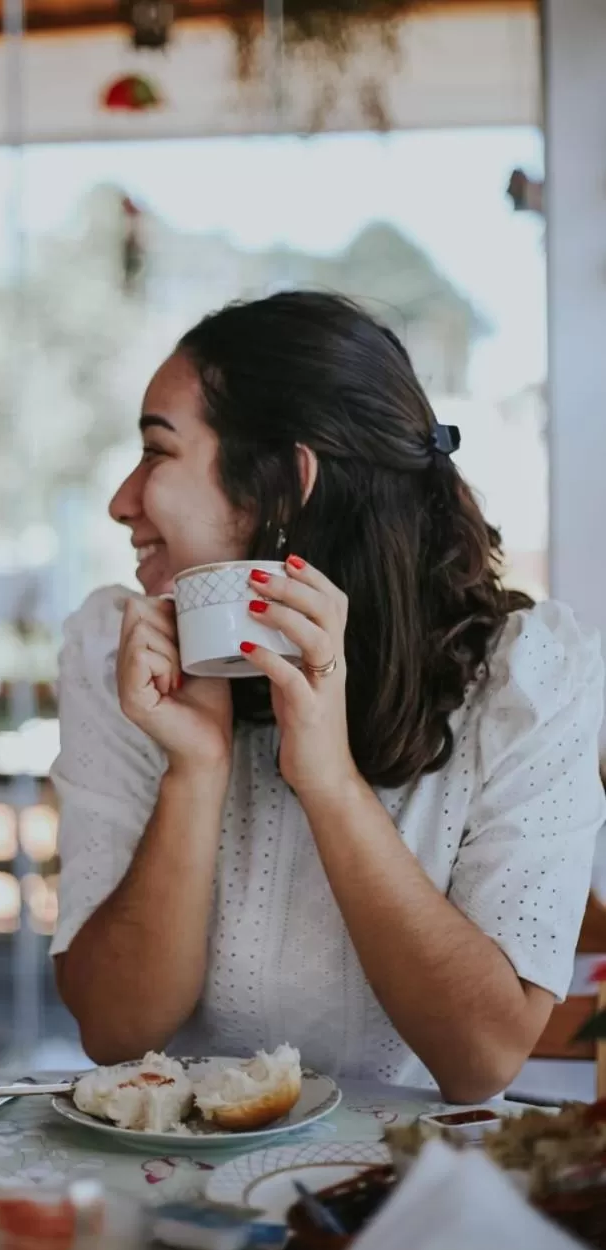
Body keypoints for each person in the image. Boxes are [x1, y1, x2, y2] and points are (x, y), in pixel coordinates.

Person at [50, 292, 606, 1101]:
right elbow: (113, 1031)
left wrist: (331, 783)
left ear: (286, 482)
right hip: (186, 1192)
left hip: (402, 1192)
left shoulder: (527, 678)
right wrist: (194, 769)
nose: (121, 501)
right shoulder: (120, 651)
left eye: (157, 453)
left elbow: (479, 1060)